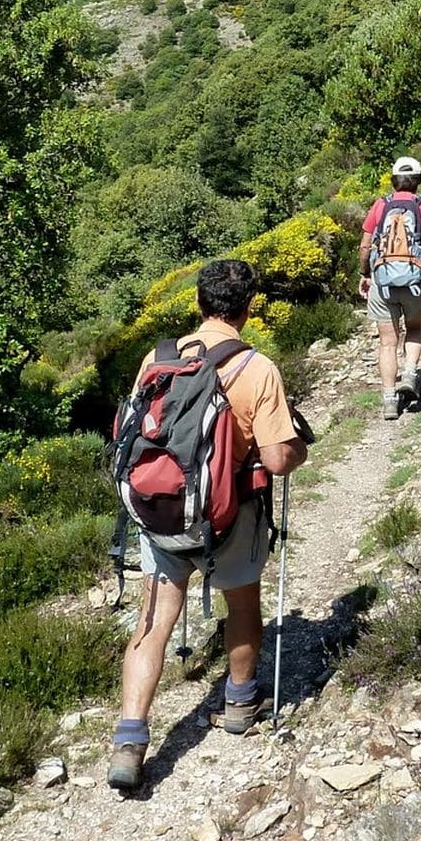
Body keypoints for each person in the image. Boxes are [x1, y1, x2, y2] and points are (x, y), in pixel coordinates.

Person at [108, 258, 308, 793]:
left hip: (162, 513)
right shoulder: (257, 369)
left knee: (153, 620)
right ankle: (241, 703)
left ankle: (130, 738)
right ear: (248, 309)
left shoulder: (159, 358)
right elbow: (279, 459)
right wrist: (297, 451)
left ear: (198, 303)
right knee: (242, 606)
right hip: (228, 516)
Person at [358, 156, 421, 419]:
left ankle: (389, 401)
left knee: (387, 342)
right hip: (416, 281)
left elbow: (365, 246)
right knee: (414, 328)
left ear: (394, 180)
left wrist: (365, 274)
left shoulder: (381, 205)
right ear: (418, 181)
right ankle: (410, 374)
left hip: (383, 281)